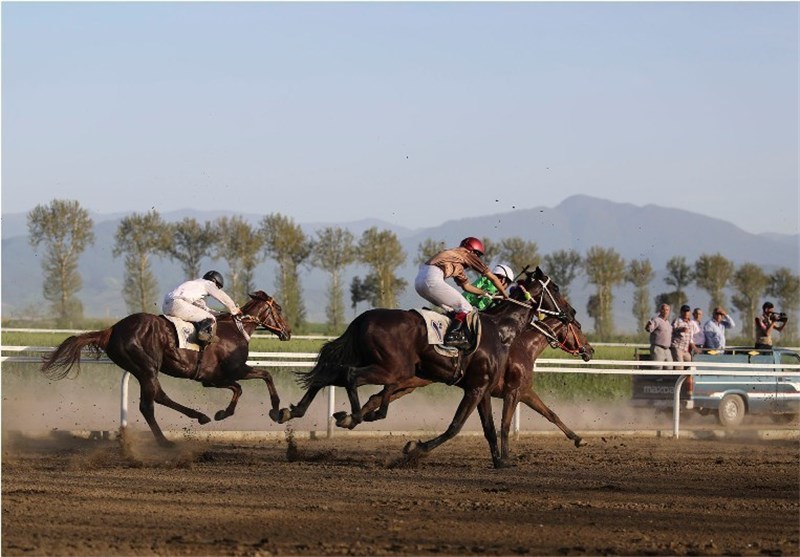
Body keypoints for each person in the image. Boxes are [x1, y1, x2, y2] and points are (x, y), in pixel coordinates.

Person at [414, 237, 509, 347]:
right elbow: (493, 278)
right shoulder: (466, 254)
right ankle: (452, 336)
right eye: (477, 255)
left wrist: (483, 293)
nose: (477, 258)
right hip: (432, 279)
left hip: (419, 282)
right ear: (472, 250)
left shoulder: (456, 259)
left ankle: (441, 333)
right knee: (467, 308)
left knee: (452, 309)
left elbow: (467, 287)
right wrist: (504, 294)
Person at [162, 270, 242, 344]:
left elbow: (203, 309)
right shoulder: (208, 283)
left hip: (166, 305)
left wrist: (220, 314)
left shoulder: (195, 287)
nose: (216, 289)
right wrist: (234, 309)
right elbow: (222, 296)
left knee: (206, 316)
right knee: (211, 319)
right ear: (214, 281)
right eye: (217, 287)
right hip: (178, 304)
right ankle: (202, 334)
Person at [645, 303, 673, 368]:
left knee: (670, 368)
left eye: (667, 310)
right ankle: (656, 378)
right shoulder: (656, 320)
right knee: (657, 368)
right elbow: (649, 329)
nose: (666, 311)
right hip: (658, 348)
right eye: (664, 310)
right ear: (661, 310)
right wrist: (648, 325)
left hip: (667, 349)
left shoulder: (668, 322)